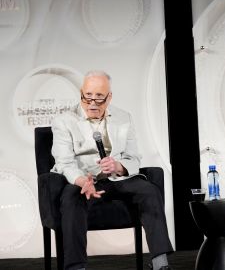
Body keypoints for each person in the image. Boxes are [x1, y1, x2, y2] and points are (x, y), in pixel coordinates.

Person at [51, 70, 174, 270]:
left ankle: (160, 263)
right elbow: (64, 162)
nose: (92, 103)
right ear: (81, 93)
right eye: (87, 96)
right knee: (71, 198)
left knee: (149, 190)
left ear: (109, 97)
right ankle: (76, 267)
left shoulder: (124, 118)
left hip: (117, 179)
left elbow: (134, 157)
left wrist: (119, 166)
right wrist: (82, 181)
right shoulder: (64, 121)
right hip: (84, 180)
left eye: (99, 98)